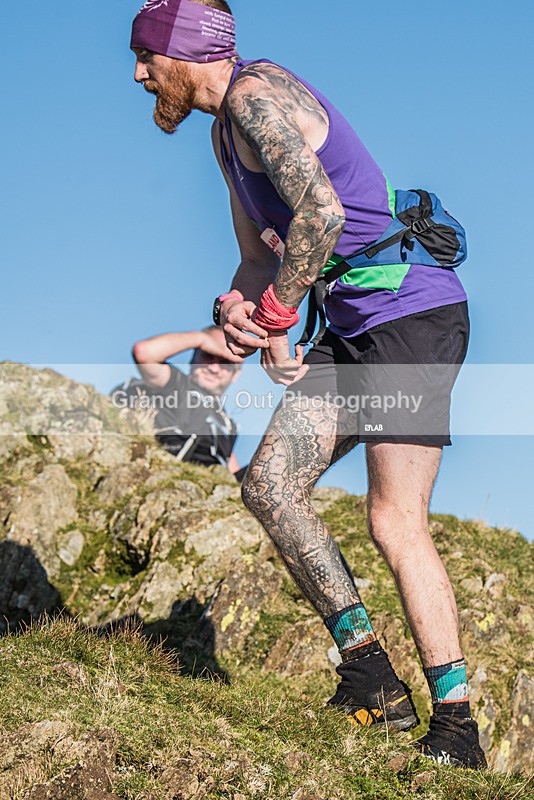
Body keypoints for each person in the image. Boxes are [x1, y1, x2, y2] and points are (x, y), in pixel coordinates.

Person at [130, 0, 486, 768]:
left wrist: (280, 310)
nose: (139, 73)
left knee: (394, 519)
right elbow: (260, 261)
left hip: (409, 315)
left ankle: (456, 729)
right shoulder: (227, 135)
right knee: (268, 484)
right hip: (350, 326)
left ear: (184, 51)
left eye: (145, 57)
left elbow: (320, 215)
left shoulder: (258, 100)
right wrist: (238, 310)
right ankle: (372, 681)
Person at [111, 326, 244, 477]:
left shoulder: (228, 424)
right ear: (193, 357)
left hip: (210, 493)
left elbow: (233, 477)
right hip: (165, 480)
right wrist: (201, 339)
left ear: (236, 374)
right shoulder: (177, 385)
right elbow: (144, 353)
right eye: (208, 355)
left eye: (225, 362)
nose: (214, 368)